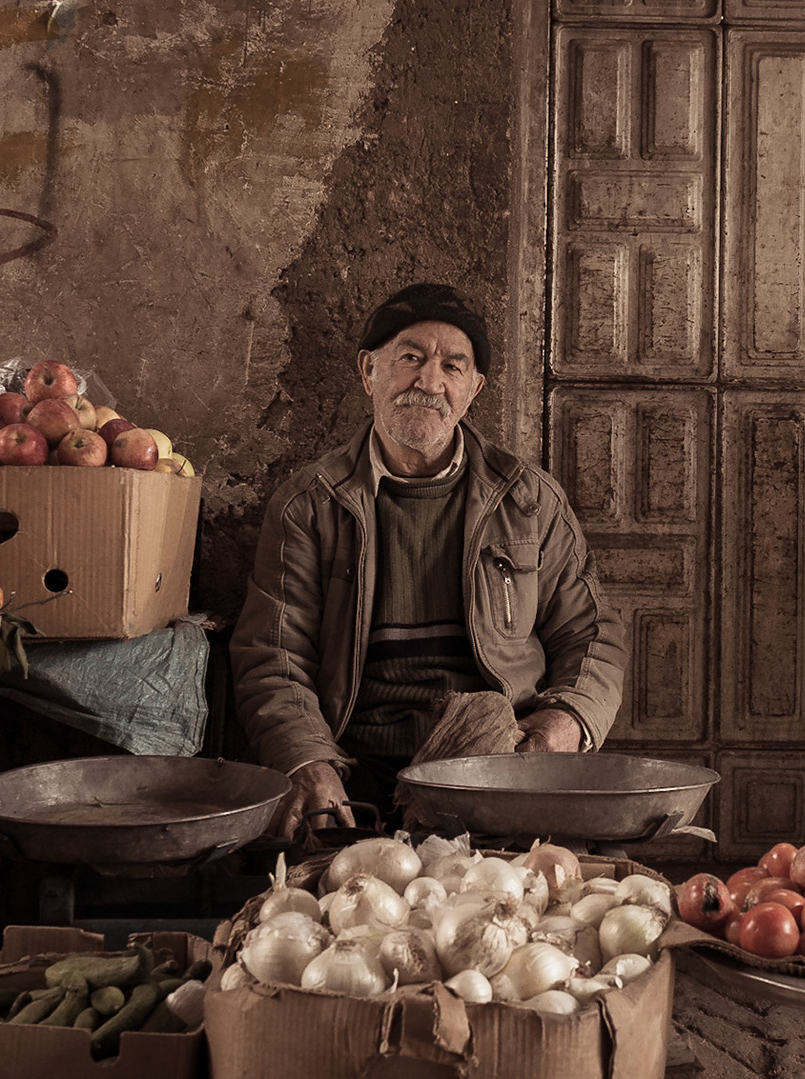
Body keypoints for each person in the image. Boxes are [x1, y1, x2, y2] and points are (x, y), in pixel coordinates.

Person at [231, 282, 627, 837]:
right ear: (369, 371)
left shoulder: (529, 499)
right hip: (358, 763)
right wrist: (308, 762)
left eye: (453, 366)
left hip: (496, 759)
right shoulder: (309, 505)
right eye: (411, 358)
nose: (429, 382)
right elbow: (272, 655)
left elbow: (593, 632)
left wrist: (567, 721)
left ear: (474, 389)